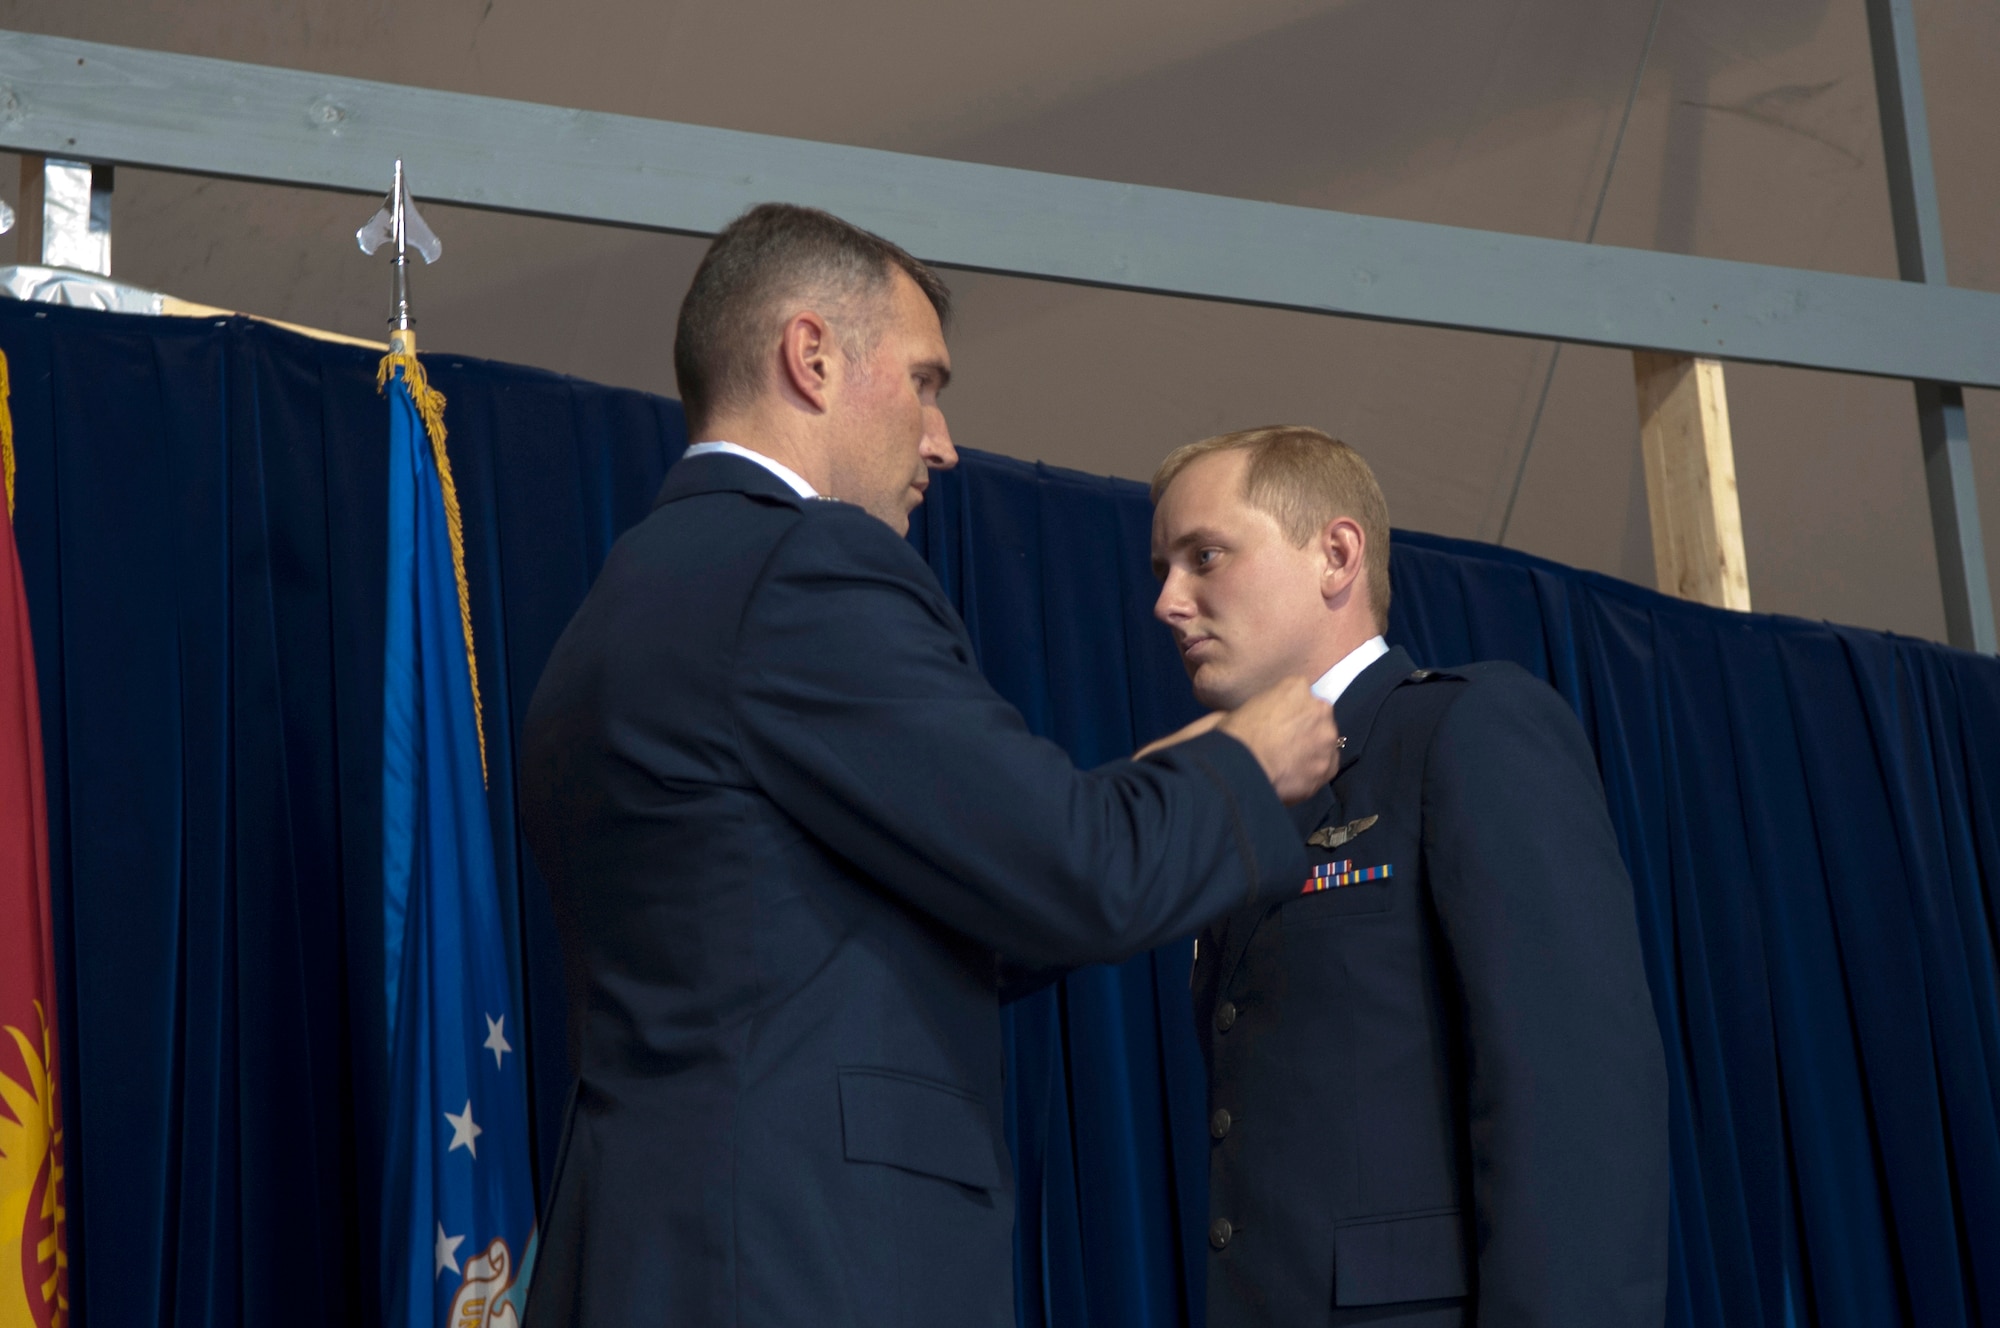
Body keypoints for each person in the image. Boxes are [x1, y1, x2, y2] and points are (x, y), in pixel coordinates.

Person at [517, 205, 1341, 1328]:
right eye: (922, 381)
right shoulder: (801, 566)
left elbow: (904, 910)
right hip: (797, 1260)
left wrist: (1141, 798)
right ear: (810, 358)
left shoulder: (626, 596)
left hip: (663, 1247)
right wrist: (1240, 771)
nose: (943, 439)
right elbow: (1066, 866)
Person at [1150, 426, 1669, 1327]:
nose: (1168, 601)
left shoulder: (1464, 733)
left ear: (1337, 556)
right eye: (1163, 569)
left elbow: (1578, 1112)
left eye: (1205, 557)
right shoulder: (1245, 801)